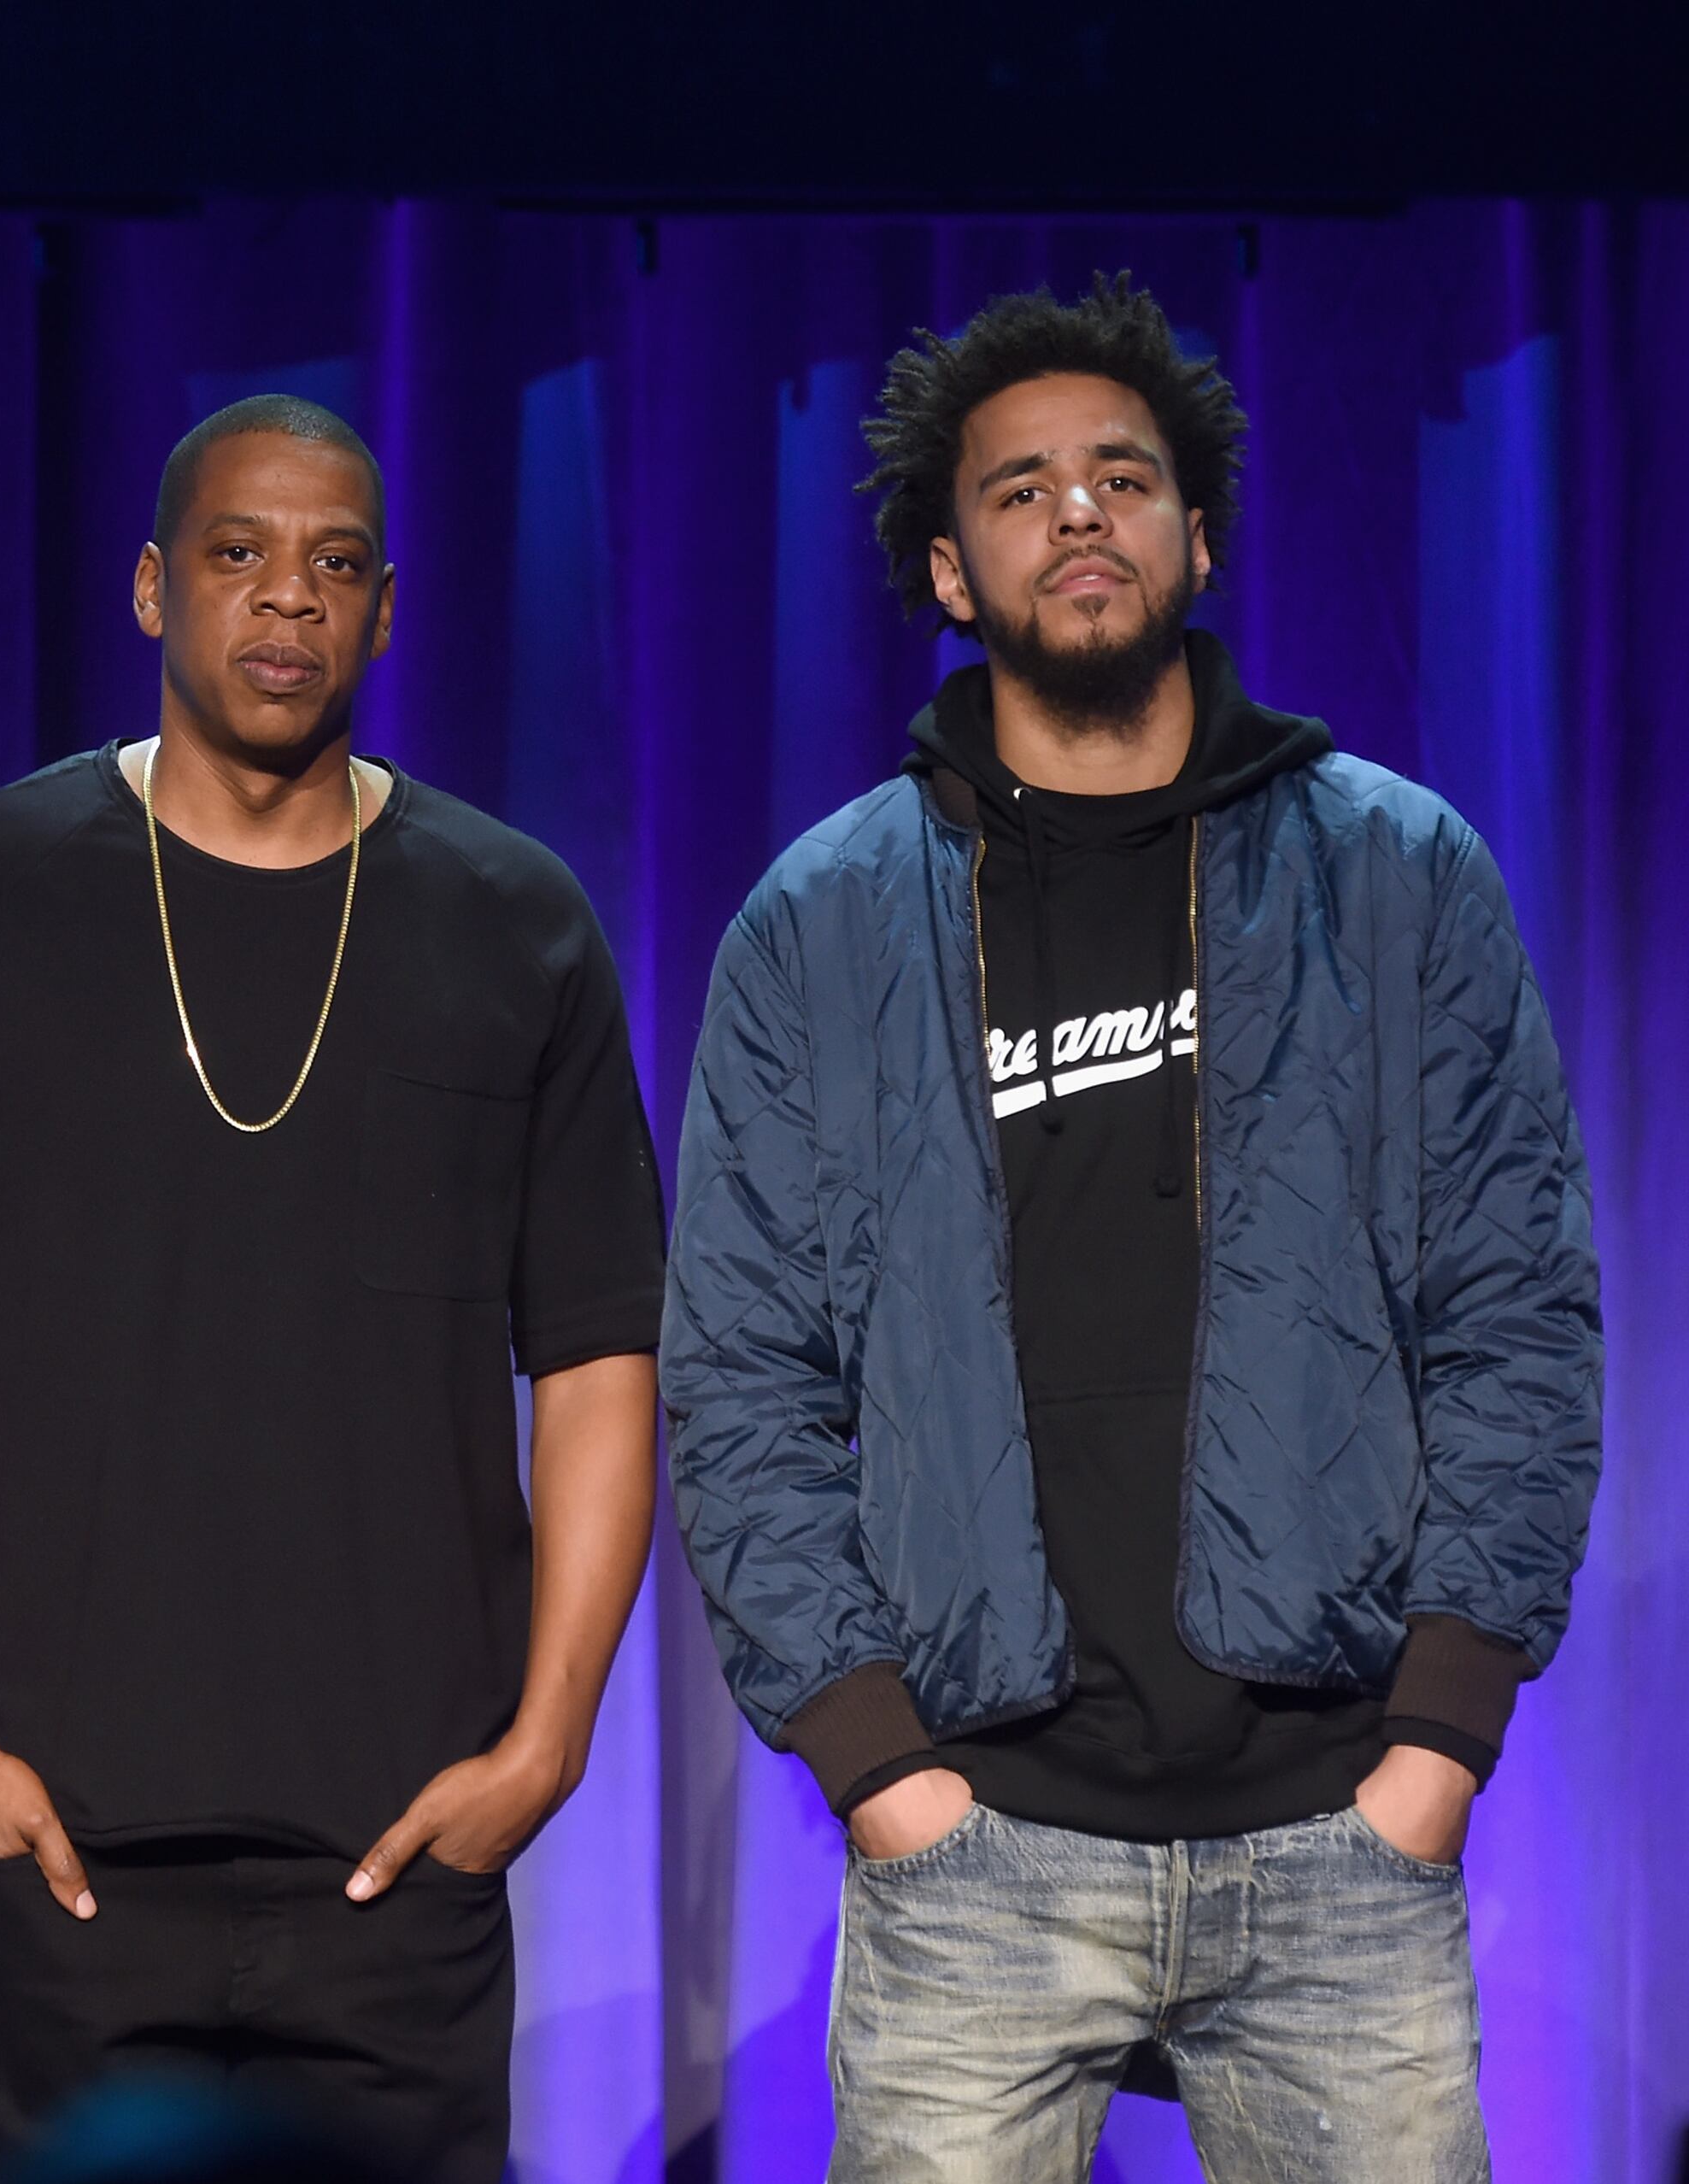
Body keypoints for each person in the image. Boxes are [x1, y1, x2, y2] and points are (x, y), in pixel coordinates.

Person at [663, 276, 1603, 2179]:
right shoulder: (821, 923)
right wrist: (881, 1771)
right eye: (1019, 490)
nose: (1077, 513)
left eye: (1120, 476)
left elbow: (1519, 1319)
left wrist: (1436, 1749)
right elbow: (742, 1379)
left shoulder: (1399, 877)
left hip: (1340, 1823)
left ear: (1198, 534)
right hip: (977, 1845)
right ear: (948, 571)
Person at [0, 396, 667, 2183]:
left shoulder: (519, 921)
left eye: (335, 565)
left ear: (390, 609)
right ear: (150, 587)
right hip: (68, 1853)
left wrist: (550, 1744)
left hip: (406, 1853)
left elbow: (596, 1365)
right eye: (240, 556)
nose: (287, 603)